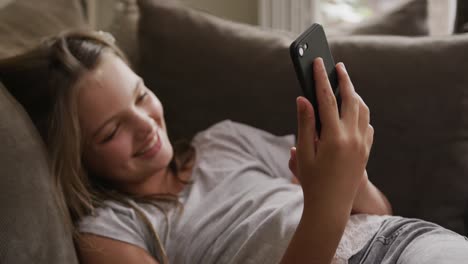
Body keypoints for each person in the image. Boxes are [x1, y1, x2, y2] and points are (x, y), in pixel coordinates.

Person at [1, 30, 467, 264]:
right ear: (74, 159)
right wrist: (327, 203)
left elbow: (377, 210)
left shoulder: (224, 140)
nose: (145, 126)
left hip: (416, 241)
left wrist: (352, 177)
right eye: (110, 132)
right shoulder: (111, 230)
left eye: (141, 96)